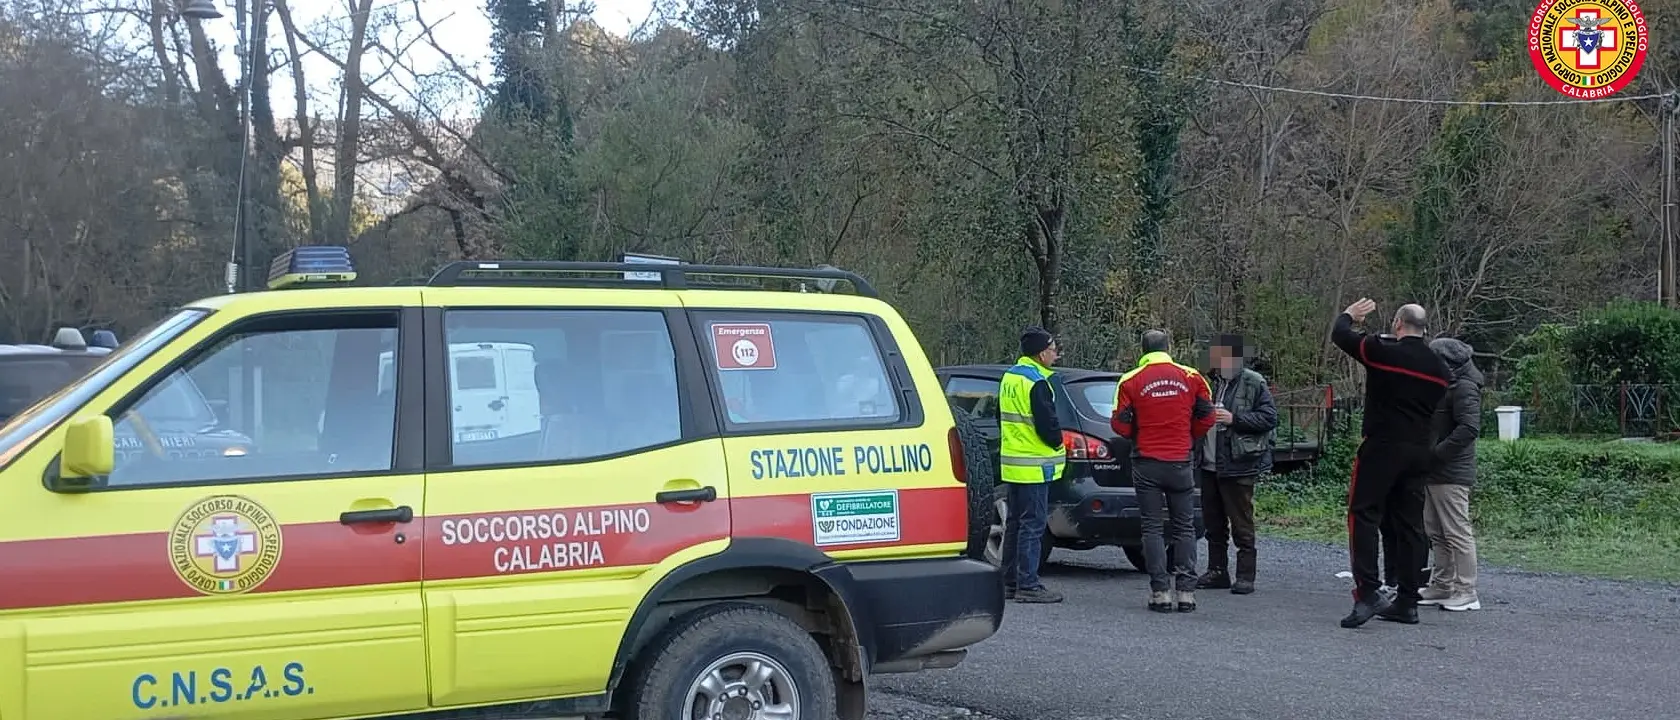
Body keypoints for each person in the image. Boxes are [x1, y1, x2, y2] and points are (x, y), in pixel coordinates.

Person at [1330, 299, 1451, 628]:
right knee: (1411, 525)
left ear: (1398, 324)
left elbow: (1340, 336)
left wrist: (1349, 316)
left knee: (1363, 515)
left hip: (1383, 444)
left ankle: (1368, 591)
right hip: (1419, 450)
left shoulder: (1384, 352)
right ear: (1424, 328)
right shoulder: (1439, 368)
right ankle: (1408, 601)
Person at [1112, 330, 1216, 613]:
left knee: (1152, 527)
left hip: (1147, 461)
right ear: (1169, 347)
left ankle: (1160, 592)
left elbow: (1119, 424)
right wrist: (1188, 435)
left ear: (1142, 349)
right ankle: (1186, 592)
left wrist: (1138, 432)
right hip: (1180, 460)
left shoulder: (1130, 380)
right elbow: (1208, 416)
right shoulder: (1192, 377)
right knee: (1184, 526)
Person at [1195, 333, 1278, 595]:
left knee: (1241, 521)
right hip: (1208, 463)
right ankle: (1217, 571)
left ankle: (1245, 576)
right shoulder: (1210, 382)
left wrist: (1234, 418)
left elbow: (1269, 417)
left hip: (1238, 462)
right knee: (1213, 523)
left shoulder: (1253, 382)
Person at [997, 326, 1066, 604]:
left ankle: (1009, 582)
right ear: (1040, 354)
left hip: (1013, 463)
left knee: (1015, 524)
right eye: (1052, 349)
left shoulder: (1010, 377)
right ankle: (1028, 583)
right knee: (1033, 525)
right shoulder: (1037, 381)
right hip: (1034, 465)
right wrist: (1058, 443)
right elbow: (1047, 425)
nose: (1055, 354)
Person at [1422, 336, 1483, 612]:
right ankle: (1442, 584)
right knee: (1436, 530)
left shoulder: (1464, 388)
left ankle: (1466, 589)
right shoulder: (1448, 385)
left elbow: (1469, 428)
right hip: (1436, 471)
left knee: (1457, 531)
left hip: (1451, 472)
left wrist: (1437, 453)